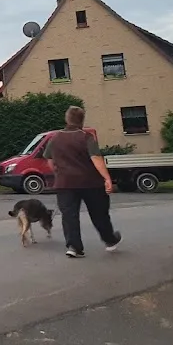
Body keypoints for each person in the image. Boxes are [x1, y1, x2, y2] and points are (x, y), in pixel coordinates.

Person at [43, 105, 123, 259]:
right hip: (91, 182)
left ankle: (74, 247)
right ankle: (109, 240)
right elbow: (96, 158)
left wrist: (58, 173)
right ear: (82, 120)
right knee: (99, 214)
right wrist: (107, 178)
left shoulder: (55, 138)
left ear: (67, 119)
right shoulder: (86, 137)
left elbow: (49, 160)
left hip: (65, 183)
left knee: (69, 216)